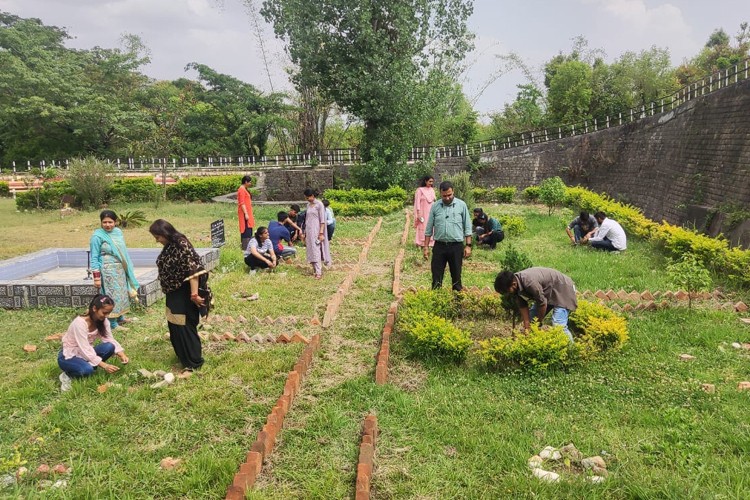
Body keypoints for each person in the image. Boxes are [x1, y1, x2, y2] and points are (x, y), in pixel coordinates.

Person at [149, 219, 206, 371]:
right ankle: (183, 356)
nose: (157, 240)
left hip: (184, 292)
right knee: (174, 322)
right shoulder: (170, 245)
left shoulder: (181, 244)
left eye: (158, 237)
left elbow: (193, 270)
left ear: (165, 233)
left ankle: (194, 362)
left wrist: (194, 294)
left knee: (184, 324)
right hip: (173, 292)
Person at [57, 294, 129, 392]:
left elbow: (109, 339)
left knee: (110, 346)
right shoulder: (79, 323)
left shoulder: (103, 321)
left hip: (85, 354)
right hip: (69, 356)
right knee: (87, 370)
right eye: (104, 312)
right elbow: (84, 348)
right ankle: (68, 375)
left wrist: (121, 353)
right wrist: (105, 365)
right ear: (95, 308)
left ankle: (86, 365)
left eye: (109, 313)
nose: (107, 316)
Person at [494, 267, 577, 342]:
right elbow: (523, 305)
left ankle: (572, 350)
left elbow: (542, 304)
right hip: (548, 293)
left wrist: (538, 323)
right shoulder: (516, 284)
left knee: (558, 324)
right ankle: (533, 344)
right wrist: (527, 325)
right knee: (531, 320)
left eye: (507, 291)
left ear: (514, 284)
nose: (507, 294)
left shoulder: (529, 282)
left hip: (563, 288)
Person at [89, 210, 139, 330]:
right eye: (104, 222)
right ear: (101, 223)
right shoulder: (97, 236)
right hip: (108, 272)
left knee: (122, 294)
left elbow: (123, 252)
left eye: (110, 222)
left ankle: (121, 317)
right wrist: (96, 278)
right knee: (112, 296)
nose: (107, 225)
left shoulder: (118, 232)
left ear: (115, 222)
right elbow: (94, 257)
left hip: (120, 269)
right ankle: (112, 323)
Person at [423, 181, 472, 291]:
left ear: (453, 191)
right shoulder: (435, 206)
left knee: (456, 277)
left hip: (456, 247)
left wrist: (468, 245)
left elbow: (467, 227)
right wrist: (425, 247)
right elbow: (429, 228)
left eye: (449, 195)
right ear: (440, 193)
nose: (447, 198)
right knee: (436, 277)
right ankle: (436, 302)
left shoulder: (461, 205)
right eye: (444, 196)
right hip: (439, 246)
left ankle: (457, 303)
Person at [303, 188, 331, 279]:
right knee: (310, 250)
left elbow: (322, 220)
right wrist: (304, 231)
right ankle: (314, 269)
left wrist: (321, 233)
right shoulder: (308, 205)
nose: (308, 199)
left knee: (316, 249)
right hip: (309, 230)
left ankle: (319, 272)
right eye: (306, 197)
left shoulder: (319, 205)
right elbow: (307, 219)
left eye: (309, 197)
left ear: (313, 196)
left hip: (316, 230)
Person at [413, 175, 436, 250]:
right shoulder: (420, 190)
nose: (431, 183)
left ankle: (431, 243)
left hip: (431, 211)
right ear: (425, 181)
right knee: (423, 226)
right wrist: (418, 213)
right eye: (429, 181)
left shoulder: (432, 190)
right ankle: (421, 243)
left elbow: (434, 201)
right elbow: (417, 202)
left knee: (431, 226)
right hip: (423, 212)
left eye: (432, 181)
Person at [237, 175, 255, 250]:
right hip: (244, 213)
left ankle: (248, 245)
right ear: (246, 182)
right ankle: (245, 245)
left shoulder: (244, 189)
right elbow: (242, 203)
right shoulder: (241, 189)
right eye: (249, 182)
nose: (250, 183)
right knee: (245, 229)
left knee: (249, 228)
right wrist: (246, 213)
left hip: (248, 212)